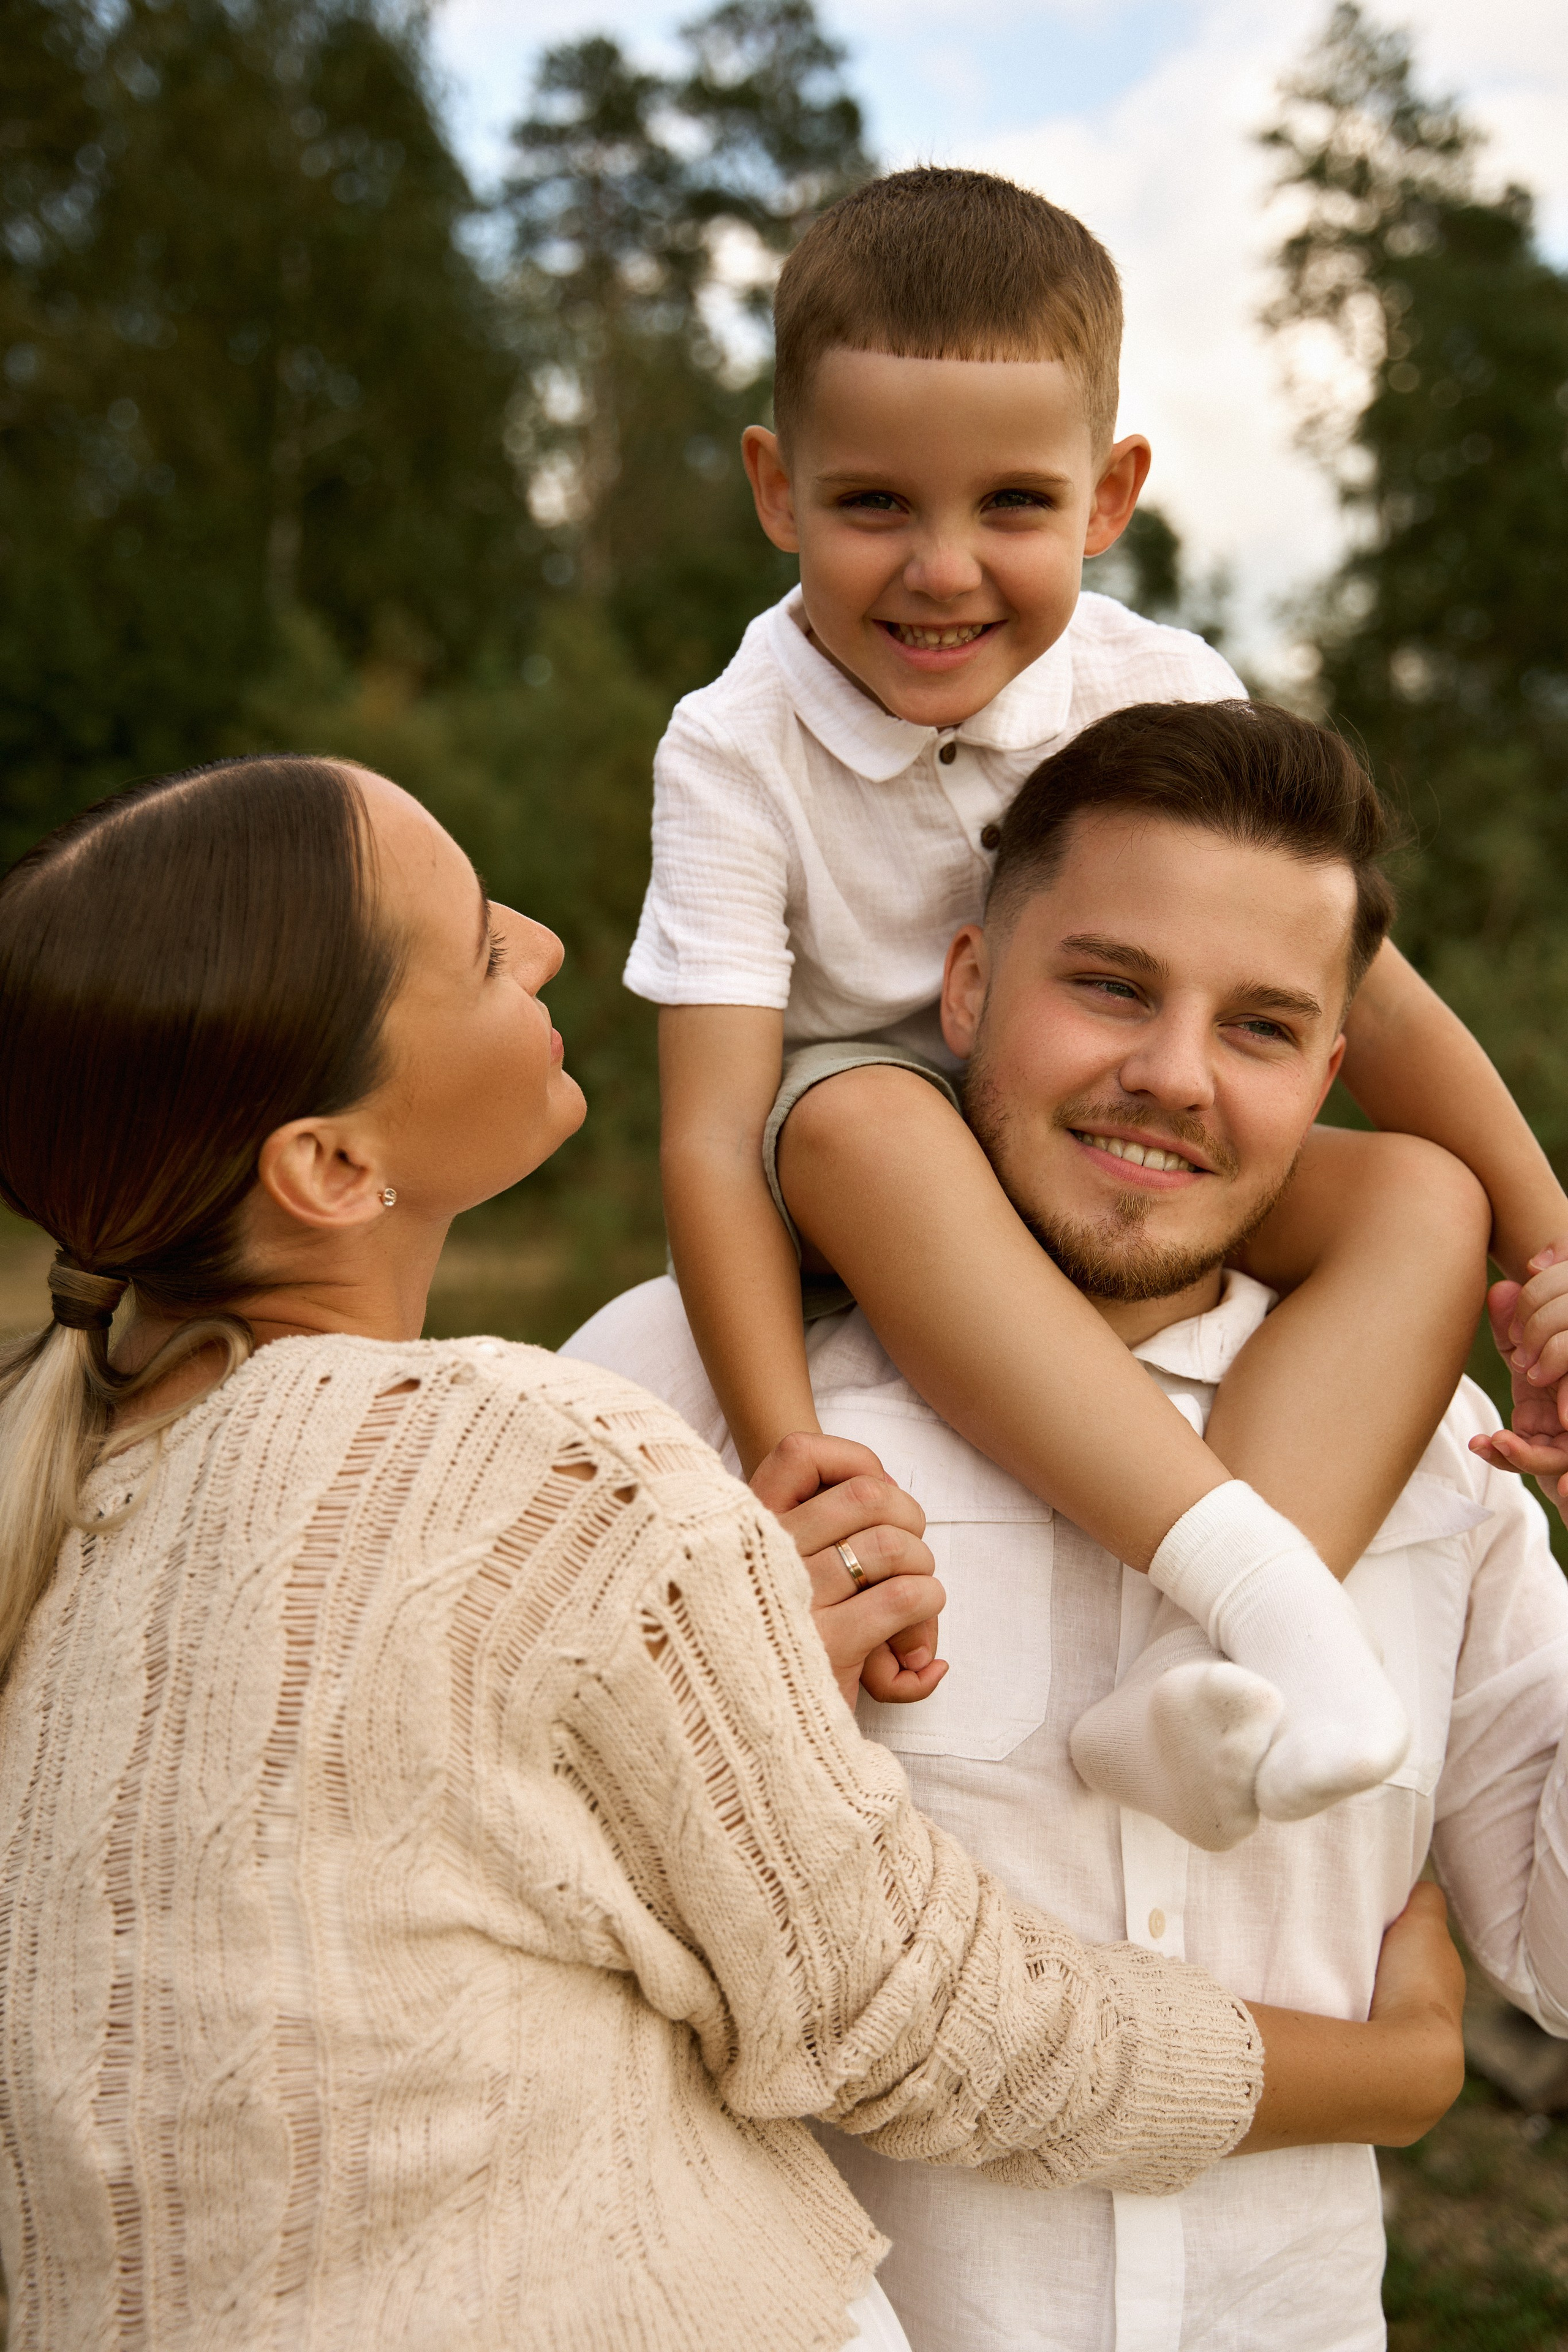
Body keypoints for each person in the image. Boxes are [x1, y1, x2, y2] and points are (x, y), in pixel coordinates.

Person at [0, 755, 1464, 2351]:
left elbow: (418, 1916)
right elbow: (924, 2024)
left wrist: (727, 1677)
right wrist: (1390, 2075)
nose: (552, 942)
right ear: (334, 1167)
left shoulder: (93, 1508)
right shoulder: (540, 1460)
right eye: (485, 944)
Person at [571, 699, 1568, 2347]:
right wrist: (723, 1711)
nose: (1170, 1076)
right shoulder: (685, 1389)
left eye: (1259, 1030)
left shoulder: (1440, 1451)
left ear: (1331, 1076)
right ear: (967, 989)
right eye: (1108, 986)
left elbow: (1548, 1956)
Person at [632, 164, 1568, 1828]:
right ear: (776, 489)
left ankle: (1201, 1684)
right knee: (857, 1110)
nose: (941, 572)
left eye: (1011, 505)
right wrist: (796, 1456)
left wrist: (1552, 1245)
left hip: (1111, 1126)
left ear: (1108, 494)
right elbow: (713, 1137)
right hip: (871, 1153)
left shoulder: (1156, 683)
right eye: (872, 508)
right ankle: (1268, 1594)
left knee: (1421, 1194)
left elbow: (1382, 1004)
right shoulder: (732, 746)